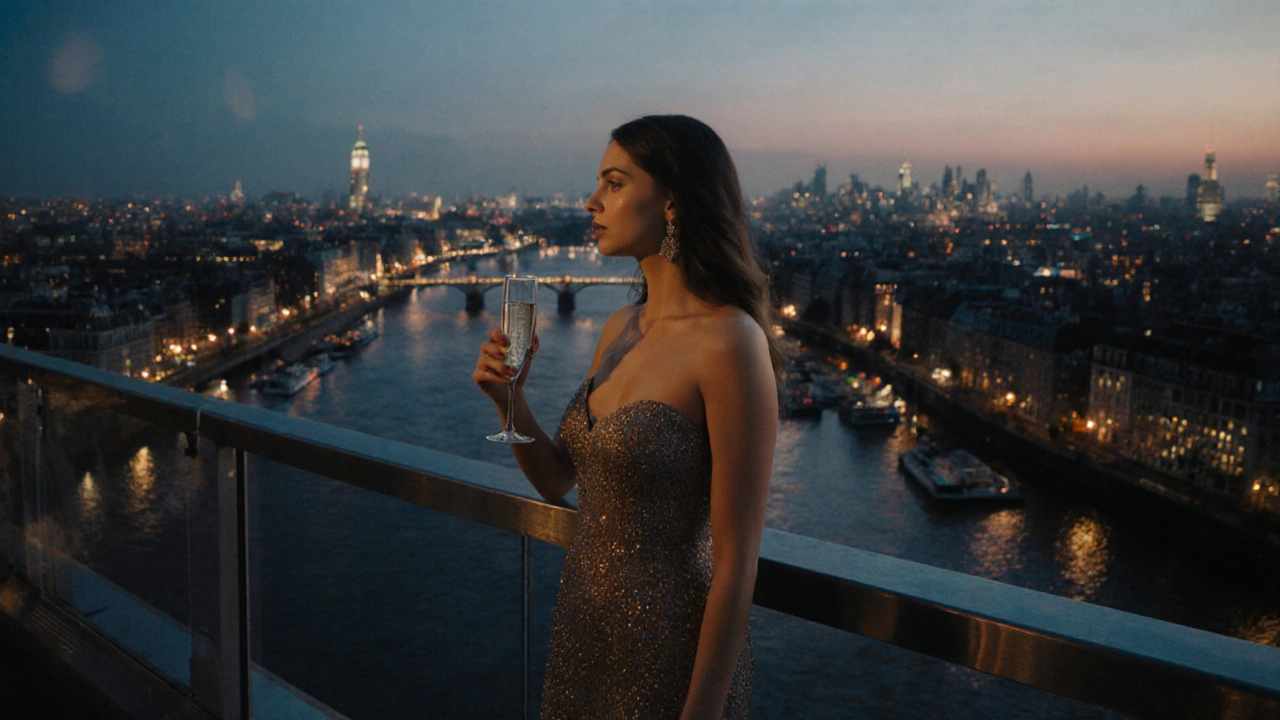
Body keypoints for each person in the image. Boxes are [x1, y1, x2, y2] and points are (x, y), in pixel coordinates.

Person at [473, 115, 783, 719]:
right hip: (584, 635)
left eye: (614, 183)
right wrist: (510, 400)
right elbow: (560, 479)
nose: (591, 202)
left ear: (672, 201)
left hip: (670, 654)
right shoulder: (620, 327)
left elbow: (737, 558)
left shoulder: (730, 343)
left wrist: (701, 713)